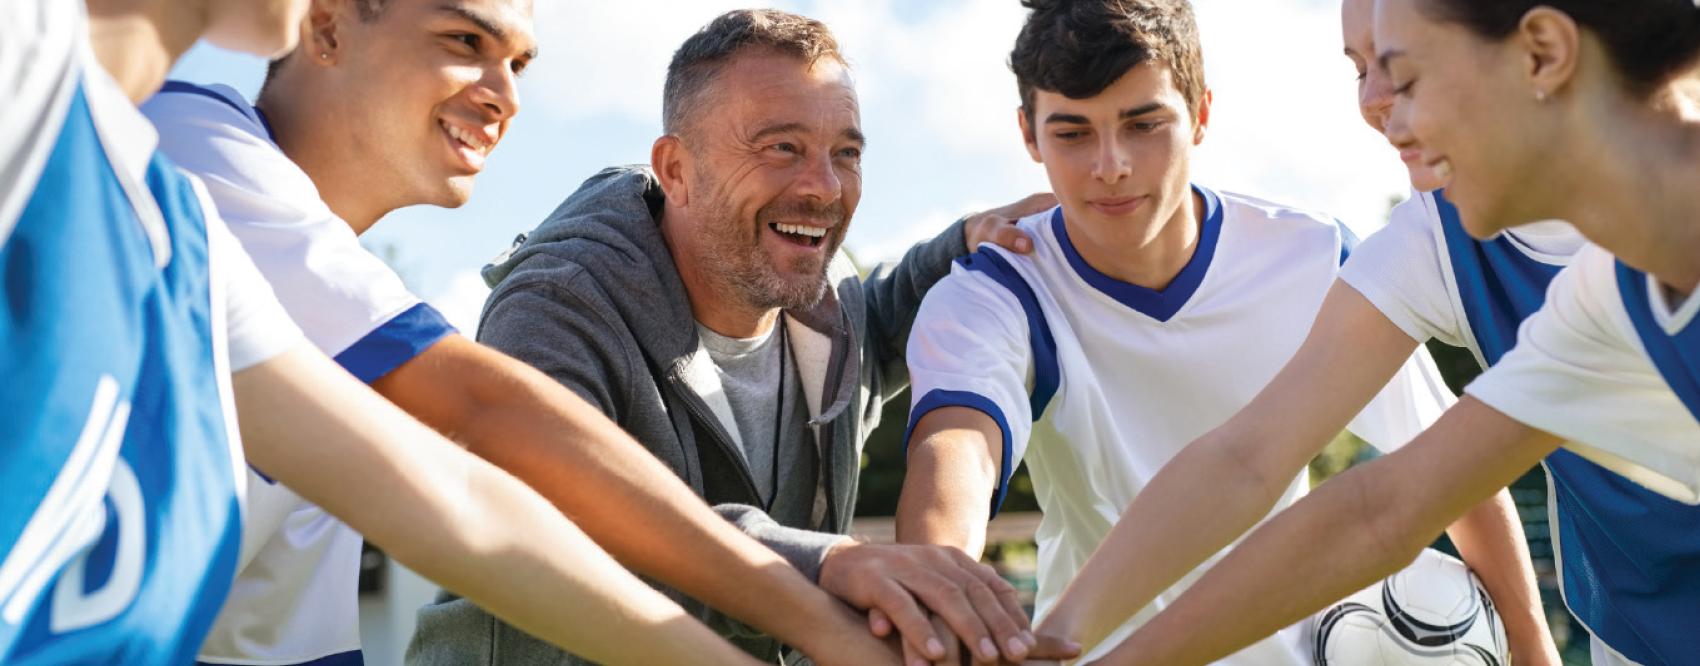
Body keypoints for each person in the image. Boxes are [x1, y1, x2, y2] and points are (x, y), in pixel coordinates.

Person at [0, 0, 772, 663]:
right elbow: (478, 416)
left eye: (521, 65)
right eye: (465, 42)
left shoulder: (237, 275)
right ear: (326, 27)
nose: (506, 95)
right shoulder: (186, 142)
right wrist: (799, 594)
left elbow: (445, 511)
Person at [409, 8, 1077, 666]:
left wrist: (966, 241)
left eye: (845, 153)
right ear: (675, 170)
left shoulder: (832, 310)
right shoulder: (555, 304)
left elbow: (891, 308)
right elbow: (577, 528)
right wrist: (831, 563)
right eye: (781, 147)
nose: (824, 186)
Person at [891, 0, 1538, 663]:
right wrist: (939, 597)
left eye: (1143, 124)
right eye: (1073, 133)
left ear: (1200, 114)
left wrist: (1531, 647)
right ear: (1029, 134)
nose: (1110, 165)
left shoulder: (1312, 256)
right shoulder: (994, 291)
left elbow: (1451, 469)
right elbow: (958, 454)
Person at [1082, 1, 1700, 664]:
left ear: (1543, 54)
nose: (1383, 114)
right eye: (1362, 71)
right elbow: (1381, 509)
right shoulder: (1601, 300)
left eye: (1404, 78)